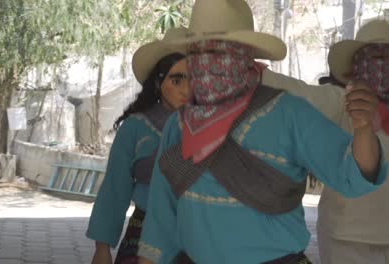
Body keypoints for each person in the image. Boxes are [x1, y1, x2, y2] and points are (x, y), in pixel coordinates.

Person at [137, 1, 387, 263]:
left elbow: (352, 173)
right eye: (197, 53)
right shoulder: (178, 128)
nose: (208, 63)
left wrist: (362, 129)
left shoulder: (289, 114)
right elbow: (160, 219)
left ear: (247, 57)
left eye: (222, 52)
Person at [274, 19, 389, 264]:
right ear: (355, 68)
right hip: (346, 240)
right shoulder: (341, 101)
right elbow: (296, 91)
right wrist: (255, 72)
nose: (383, 65)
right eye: (374, 57)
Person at [86, 28, 192, 264]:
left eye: (193, 79)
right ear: (158, 83)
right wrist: (102, 248)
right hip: (144, 230)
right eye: (176, 80)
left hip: (198, 231)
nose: (186, 89)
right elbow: (115, 189)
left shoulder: (211, 127)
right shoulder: (136, 128)